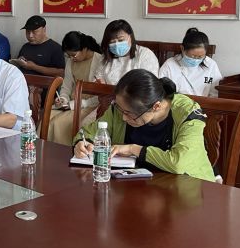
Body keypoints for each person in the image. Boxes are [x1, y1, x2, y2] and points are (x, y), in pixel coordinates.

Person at [73, 69, 214, 181]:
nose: (123, 117)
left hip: (185, 188)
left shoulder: (188, 113)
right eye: (120, 109)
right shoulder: (121, 107)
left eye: (129, 113)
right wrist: (82, 143)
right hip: (133, 185)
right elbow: (88, 132)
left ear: (156, 106)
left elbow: (178, 163)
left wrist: (133, 149)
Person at [47, 32, 101, 145]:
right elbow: (66, 86)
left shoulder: (99, 60)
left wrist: (74, 104)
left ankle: (63, 153)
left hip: (89, 105)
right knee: (47, 116)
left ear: (84, 49)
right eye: (68, 56)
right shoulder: (71, 62)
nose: (71, 58)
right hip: (71, 104)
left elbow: (99, 97)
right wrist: (63, 99)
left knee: (58, 123)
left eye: (74, 55)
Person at [158, 28, 223, 97]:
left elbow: (215, 92)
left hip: (204, 102)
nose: (196, 60)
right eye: (193, 56)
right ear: (182, 49)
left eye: (200, 57)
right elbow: (160, 91)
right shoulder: (169, 65)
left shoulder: (211, 64)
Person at [90, 19, 159, 84]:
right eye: (112, 42)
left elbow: (150, 85)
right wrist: (99, 83)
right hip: (106, 92)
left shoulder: (145, 55)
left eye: (121, 40)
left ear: (130, 37)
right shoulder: (105, 57)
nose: (116, 44)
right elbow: (96, 79)